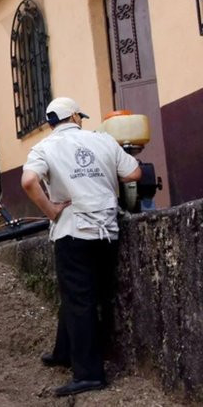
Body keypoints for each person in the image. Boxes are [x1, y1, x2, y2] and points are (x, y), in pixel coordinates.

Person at [21, 97, 141, 398]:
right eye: (80, 116)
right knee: (83, 297)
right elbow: (134, 174)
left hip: (73, 233)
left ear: (51, 122)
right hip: (107, 233)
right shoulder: (103, 140)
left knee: (78, 299)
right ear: (74, 116)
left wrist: (51, 210)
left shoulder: (44, 148)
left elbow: (28, 181)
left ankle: (89, 375)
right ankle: (64, 351)